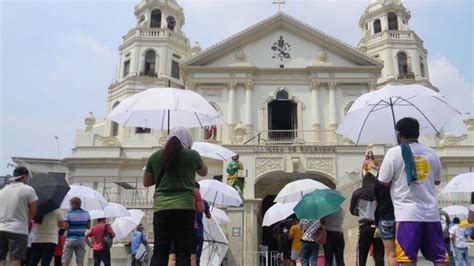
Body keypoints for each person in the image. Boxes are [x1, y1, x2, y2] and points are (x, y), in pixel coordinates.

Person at [378, 117, 448, 265]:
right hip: (431, 214)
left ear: (399, 134)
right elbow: (437, 181)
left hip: (407, 214)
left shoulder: (394, 152)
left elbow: (383, 181)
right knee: (440, 257)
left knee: (407, 257)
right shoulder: (432, 153)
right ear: (418, 133)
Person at [143, 127, 208, 266]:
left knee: (160, 251)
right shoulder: (192, 155)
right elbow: (204, 172)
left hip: (162, 208)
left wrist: (164, 174)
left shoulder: (155, 156)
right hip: (184, 207)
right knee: (183, 252)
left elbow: (146, 182)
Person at [0, 166, 38, 266]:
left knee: (1, 256)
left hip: (1, 227)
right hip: (18, 229)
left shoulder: (3, 190)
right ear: (24, 176)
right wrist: (28, 221)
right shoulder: (28, 189)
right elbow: (33, 209)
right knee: (16, 257)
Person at [350, 173, 384, 266]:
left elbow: (352, 210)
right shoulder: (379, 192)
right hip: (378, 227)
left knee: (362, 253)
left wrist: (361, 212)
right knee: (379, 255)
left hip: (365, 226)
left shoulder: (357, 193)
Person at [62, 197, 91, 266]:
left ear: (73, 204)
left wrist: (70, 226)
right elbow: (88, 227)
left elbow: (65, 227)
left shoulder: (69, 213)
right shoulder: (86, 213)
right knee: (80, 262)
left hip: (70, 239)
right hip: (81, 240)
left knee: (65, 261)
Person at [373, 179, 396, 266]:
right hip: (403, 216)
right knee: (406, 254)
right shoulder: (399, 177)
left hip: (386, 217)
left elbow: (378, 201)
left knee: (392, 255)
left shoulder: (379, 180)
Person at [194, 183, 211, 266]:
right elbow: (208, 216)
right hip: (199, 230)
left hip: (187, 230)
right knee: (197, 255)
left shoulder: (186, 201)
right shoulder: (203, 202)